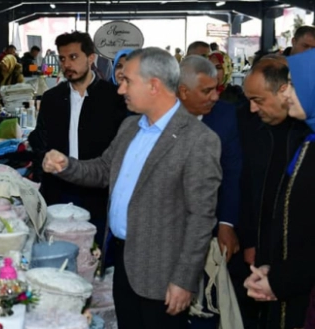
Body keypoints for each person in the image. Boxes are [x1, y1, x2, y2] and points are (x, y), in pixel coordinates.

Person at [43, 47, 221, 329]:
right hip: (124, 263)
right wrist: (67, 165)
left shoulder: (198, 140)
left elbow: (201, 218)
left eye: (127, 81)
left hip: (163, 274)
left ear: (154, 85)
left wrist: (184, 280)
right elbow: (103, 170)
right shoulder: (130, 127)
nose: (119, 89)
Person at [29, 31, 126, 241]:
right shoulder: (51, 98)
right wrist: (39, 185)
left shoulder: (114, 98)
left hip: (99, 192)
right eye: (62, 59)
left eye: (73, 57)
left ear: (91, 58)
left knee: (95, 254)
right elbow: (41, 144)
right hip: (58, 190)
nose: (67, 64)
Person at [244, 49, 315, 329]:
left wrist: (281, 280)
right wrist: (274, 271)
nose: (285, 95)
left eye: (293, 86)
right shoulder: (309, 140)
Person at [178, 56, 243, 329]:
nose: (216, 96)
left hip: (211, 227)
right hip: (168, 226)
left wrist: (226, 223)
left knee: (207, 301)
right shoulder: (155, 114)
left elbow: (233, 171)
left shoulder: (227, 116)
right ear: (183, 91)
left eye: (216, 88)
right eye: (207, 91)